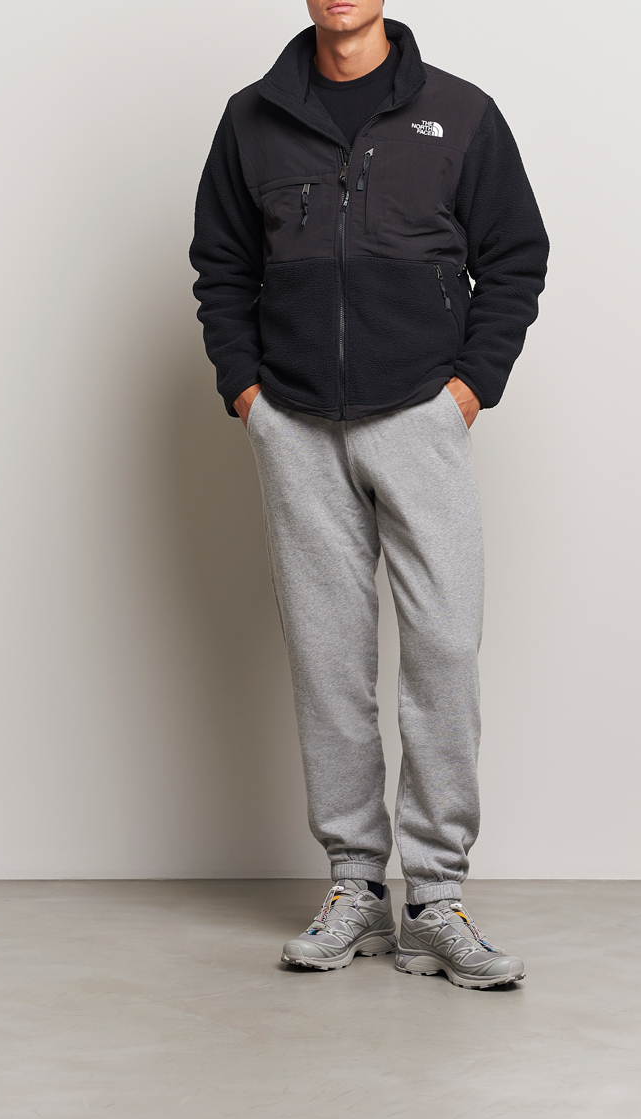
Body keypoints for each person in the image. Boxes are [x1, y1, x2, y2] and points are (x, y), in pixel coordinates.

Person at [190, 0, 548, 990]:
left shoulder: (460, 113)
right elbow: (221, 266)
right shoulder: (251, 119)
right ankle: (355, 882)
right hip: (296, 423)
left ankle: (435, 898)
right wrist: (248, 394)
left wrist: (468, 390)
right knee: (328, 660)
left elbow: (515, 257)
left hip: (421, 416)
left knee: (443, 649)